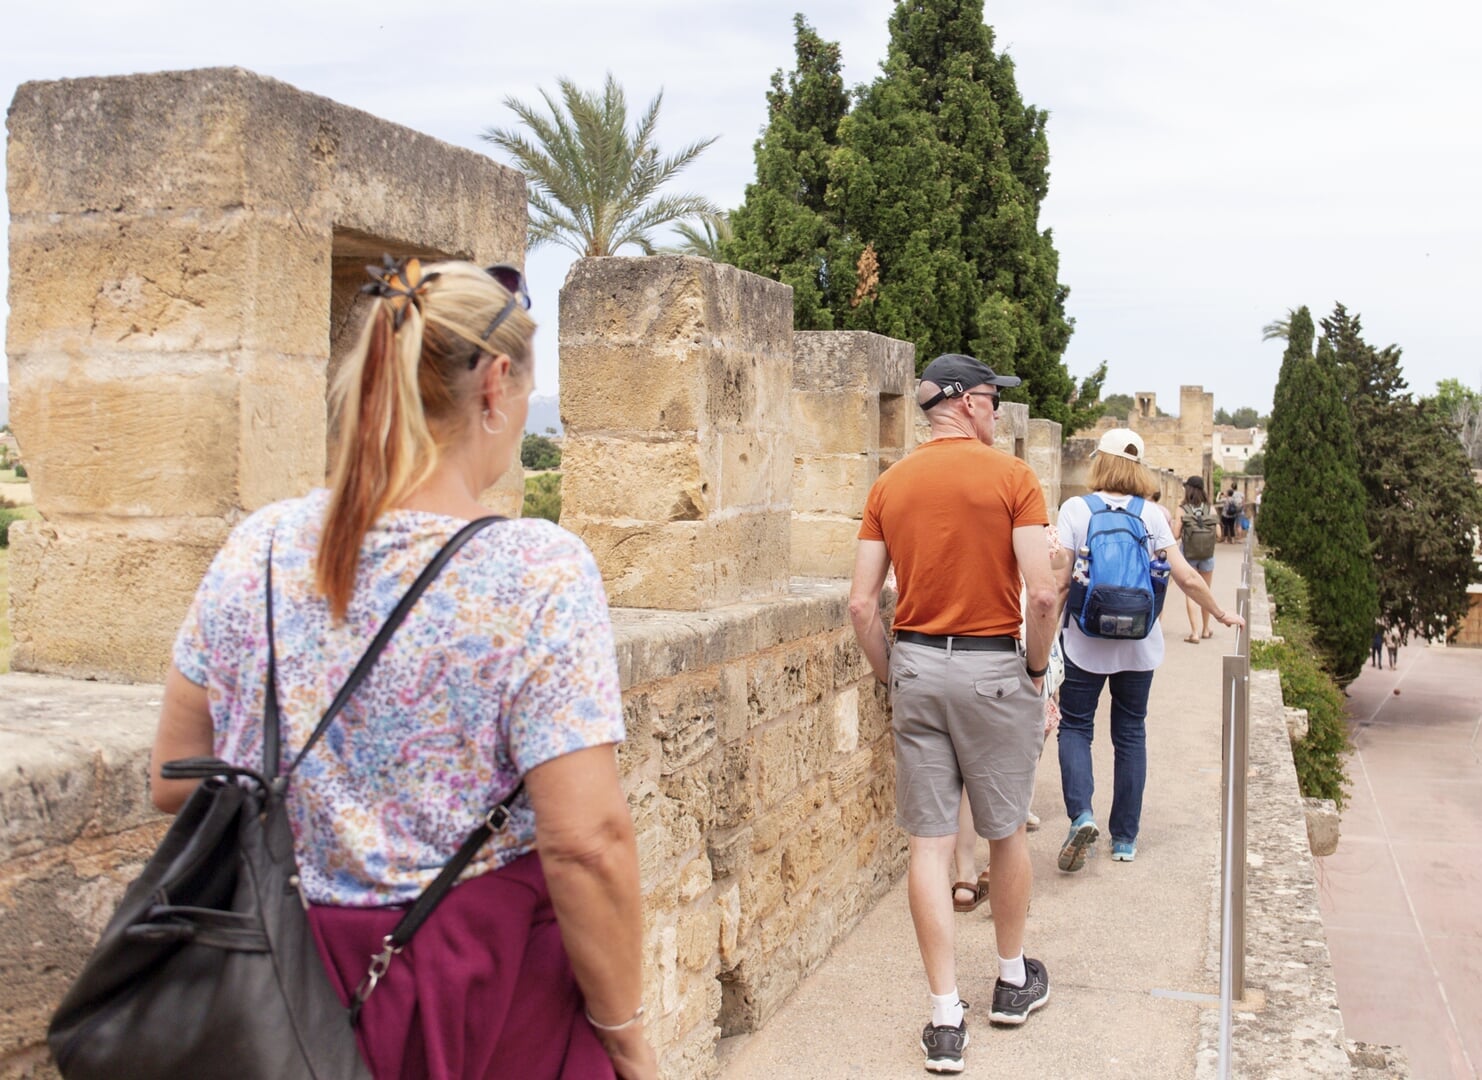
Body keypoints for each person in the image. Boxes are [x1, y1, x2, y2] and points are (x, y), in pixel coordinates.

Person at [149, 258, 657, 1080]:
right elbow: (588, 842)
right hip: (474, 998)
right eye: (527, 390)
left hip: (272, 990)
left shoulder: (260, 547)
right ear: (496, 384)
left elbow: (175, 780)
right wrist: (626, 1032)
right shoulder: (536, 571)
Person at [850, 353, 1059, 1074]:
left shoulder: (889, 484)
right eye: (992, 401)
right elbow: (1042, 594)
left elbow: (859, 604)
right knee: (1004, 833)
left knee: (930, 845)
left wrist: (892, 678)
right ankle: (1007, 981)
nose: (997, 413)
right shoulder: (1012, 480)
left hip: (915, 664)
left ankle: (944, 1018)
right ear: (967, 403)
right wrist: (1035, 668)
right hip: (993, 668)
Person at [1054, 430, 1244, 872]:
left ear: (1099, 462)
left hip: (1085, 641)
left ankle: (1082, 815)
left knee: (1076, 728)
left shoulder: (1075, 510)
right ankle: (1124, 838)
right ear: (1139, 468)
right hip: (1140, 645)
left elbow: (1061, 582)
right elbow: (1188, 578)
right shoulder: (1153, 515)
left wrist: (1043, 643)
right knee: (1130, 733)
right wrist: (1219, 614)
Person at [1174, 476, 1218, 643]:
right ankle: (1206, 629)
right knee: (1205, 591)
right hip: (1207, 555)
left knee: (1191, 594)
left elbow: (1176, 534)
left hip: (1188, 555)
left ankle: (1194, 633)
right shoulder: (1210, 509)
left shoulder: (1182, 509)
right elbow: (1219, 535)